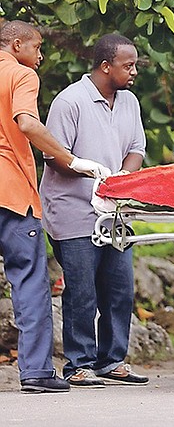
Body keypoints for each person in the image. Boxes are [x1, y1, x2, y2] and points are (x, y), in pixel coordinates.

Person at [0, 20, 109, 393]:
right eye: (37, 47)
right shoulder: (21, 75)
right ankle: (36, 373)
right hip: (12, 193)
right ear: (17, 45)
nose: (40, 56)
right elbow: (28, 124)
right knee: (29, 282)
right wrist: (71, 158)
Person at [40, 34, 148, 387]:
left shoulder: (129, 102)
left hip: (115, 211)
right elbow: (54, 156)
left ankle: (112, 360)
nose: (133, 72)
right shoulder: (70, 101)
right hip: (73, 209)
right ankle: (79, 363)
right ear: (105, 66)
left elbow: (136, 147)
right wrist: (93, 170)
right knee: (82, 290)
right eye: (127, 65)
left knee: (120, 289)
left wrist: (121, 178)